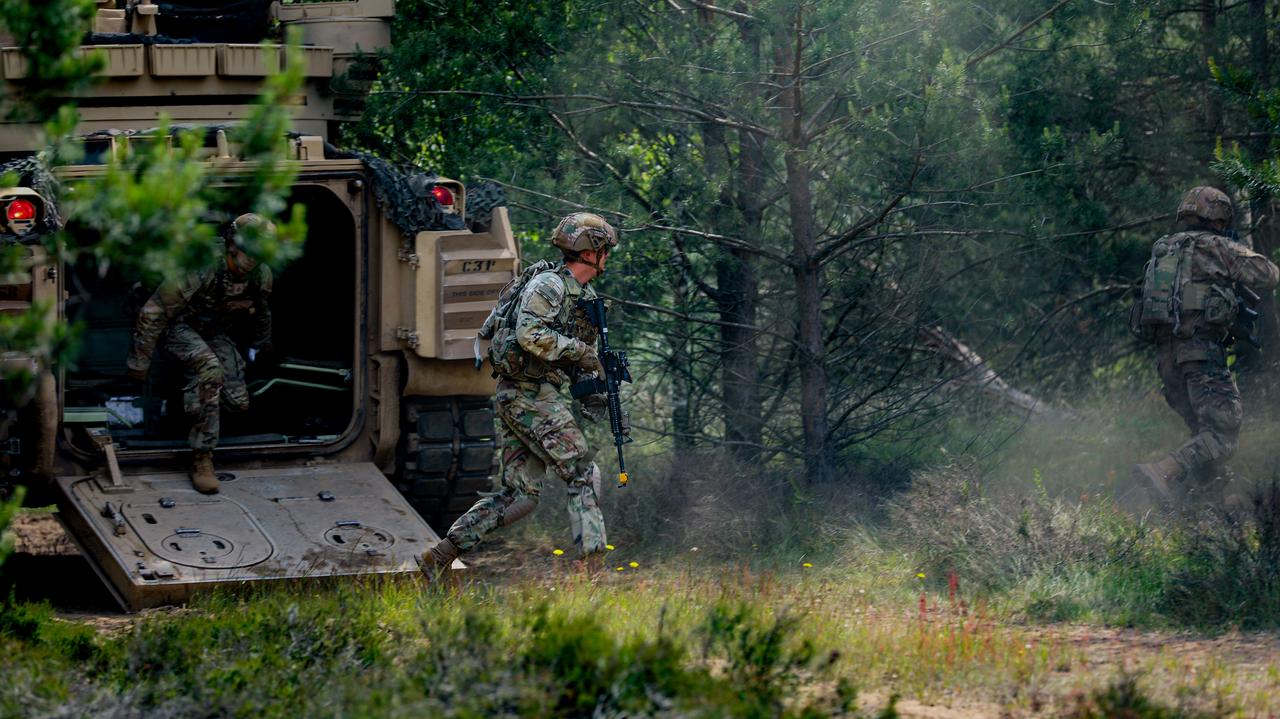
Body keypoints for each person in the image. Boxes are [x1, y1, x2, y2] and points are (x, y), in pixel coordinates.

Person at [422, 212, 618, 570]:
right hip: (527, 393)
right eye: (606, 249)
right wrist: (583, 353)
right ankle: (592, 571)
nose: (609, 256)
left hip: (533, 394)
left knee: (520, 496)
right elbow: (531, 336)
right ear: (591, 251)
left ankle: (439, 557)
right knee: (583, 472)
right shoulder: (549, 285)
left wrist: (593, 389)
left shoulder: (585, 297)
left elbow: (573, 357)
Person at [1131, 187, 1278, 503]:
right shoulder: (1217, 247)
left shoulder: (1164, 248)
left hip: (1168, 359)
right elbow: (1269, 274)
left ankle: (1198, 509)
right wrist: (1237, 249)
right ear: (1219, 216)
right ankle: (1162, 471)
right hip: (1200, 354)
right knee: (1222, 434)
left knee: (1203, 435)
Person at [126, 213, 276, 494]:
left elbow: (262, 311)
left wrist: (263, 346)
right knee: (209, 370)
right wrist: (139, 362)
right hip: (176, 327)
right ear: (232, 244)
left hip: (213, 331)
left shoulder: (260, 274)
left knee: (238, 402)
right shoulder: (201, 265)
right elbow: (153, 312)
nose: (253, 260)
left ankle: (185, 411)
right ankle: (202, 458)